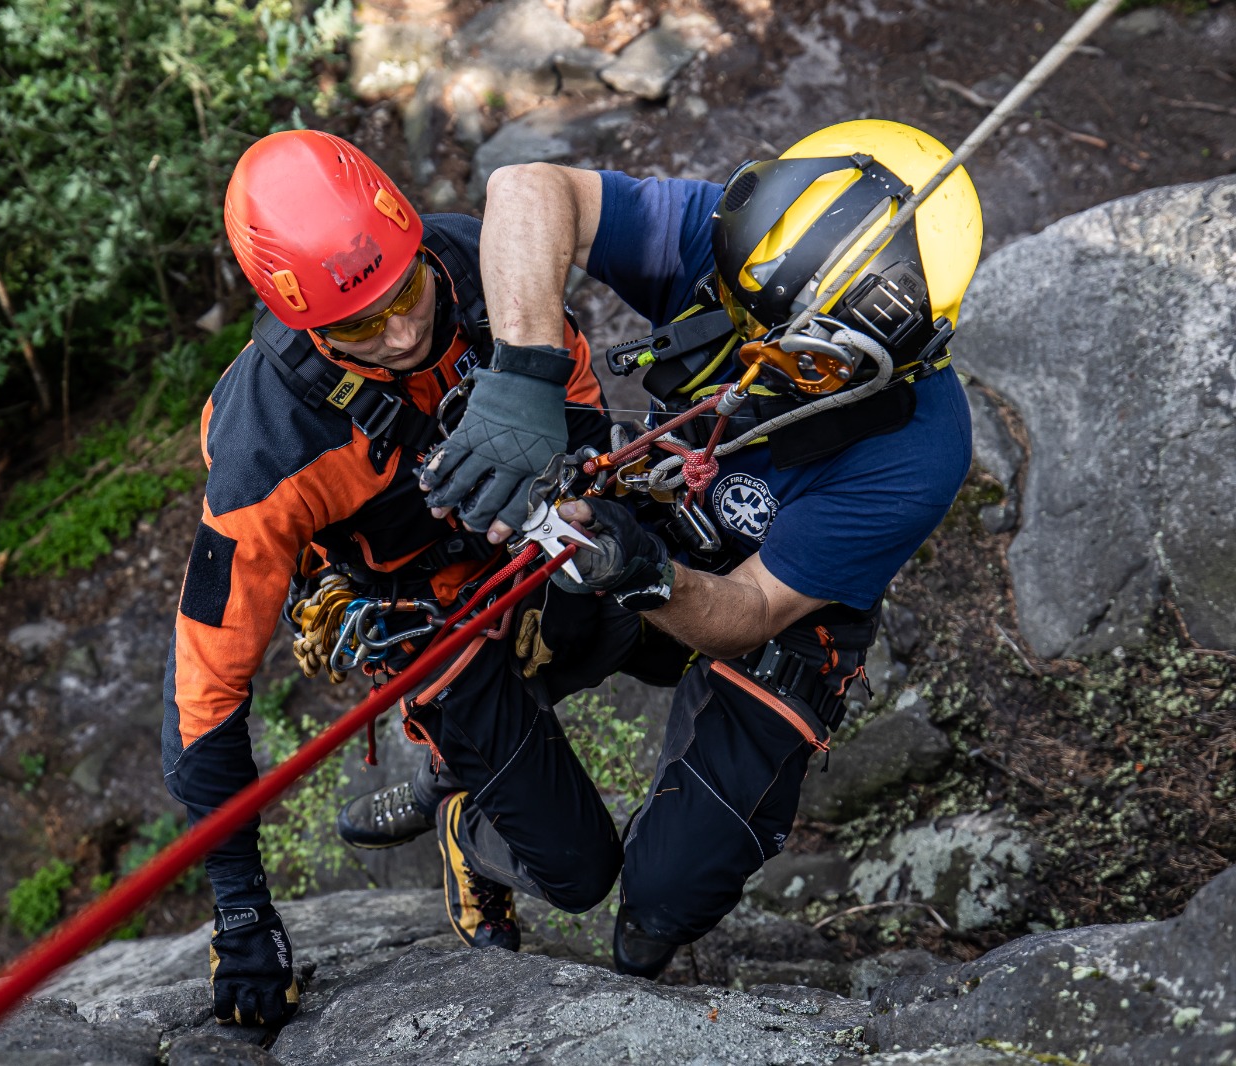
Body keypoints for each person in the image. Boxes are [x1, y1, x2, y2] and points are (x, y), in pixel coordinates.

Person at [368, 118, 983, 977]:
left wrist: (647, 577)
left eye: (770, 337)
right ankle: (466, 804)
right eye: (733, 299)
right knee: (507, 656)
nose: (738, 329)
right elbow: (529, 188)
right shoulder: (750, 248)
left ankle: (645, 928)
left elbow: (755, 609)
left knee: (663, 905)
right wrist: (524, 379)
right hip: (659, 511)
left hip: (779, 611)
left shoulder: (916, 453)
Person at [161, 129, 656, 1029]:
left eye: (405, 294)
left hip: (526, 549)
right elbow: (203, 699)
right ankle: (468, 817)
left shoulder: (480, 263)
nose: (402, 333)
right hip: (424, 623)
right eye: (359, 326)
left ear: (416, 245)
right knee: (583, 874)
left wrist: (589, 507)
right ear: (305, 322)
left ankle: (458, 766)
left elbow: (578, 393)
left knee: (647, 614)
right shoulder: (266, 446)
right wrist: (241, 912)